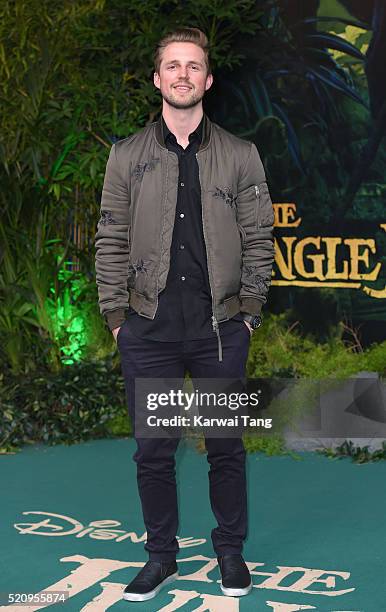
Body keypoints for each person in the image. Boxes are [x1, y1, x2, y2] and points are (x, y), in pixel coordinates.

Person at [94, 26, 275, 602]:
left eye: (192, 66)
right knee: (153, 449)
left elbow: (259, 237)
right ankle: (161, 557)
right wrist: (117, 318)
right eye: (172, 65)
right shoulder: (126, 157)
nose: (181, 74)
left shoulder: (241, 155)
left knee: (225, 445)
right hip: (147, 327)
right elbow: (110, 239)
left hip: (221, 328)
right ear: (157, 78)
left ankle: (230, 553)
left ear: (207, 80)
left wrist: (249, 311)